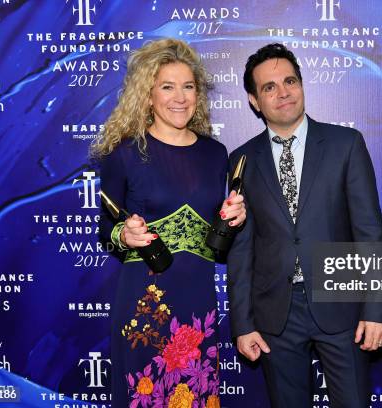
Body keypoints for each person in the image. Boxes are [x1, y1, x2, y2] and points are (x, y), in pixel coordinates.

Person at [227, 43, 382, 408]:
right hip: (274, 313)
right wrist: (242, 323)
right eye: (269, 87)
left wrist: (376, 309)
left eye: (290, 81)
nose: (283, 92)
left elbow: (369, 232)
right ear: (254, 101)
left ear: (302, 85)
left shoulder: (345, 144)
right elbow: (241, 249)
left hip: (341, 299)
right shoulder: (241, 161)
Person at [93, 38, 245, 408]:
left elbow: (215, 241)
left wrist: (233, 220)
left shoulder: (215, 154)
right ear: (147, 95)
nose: (180, 97)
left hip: (198, 304)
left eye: (188, 87)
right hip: (145, 304)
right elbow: (105, 232)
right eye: (167, 86)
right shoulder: (125, 154)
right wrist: (124, 235)